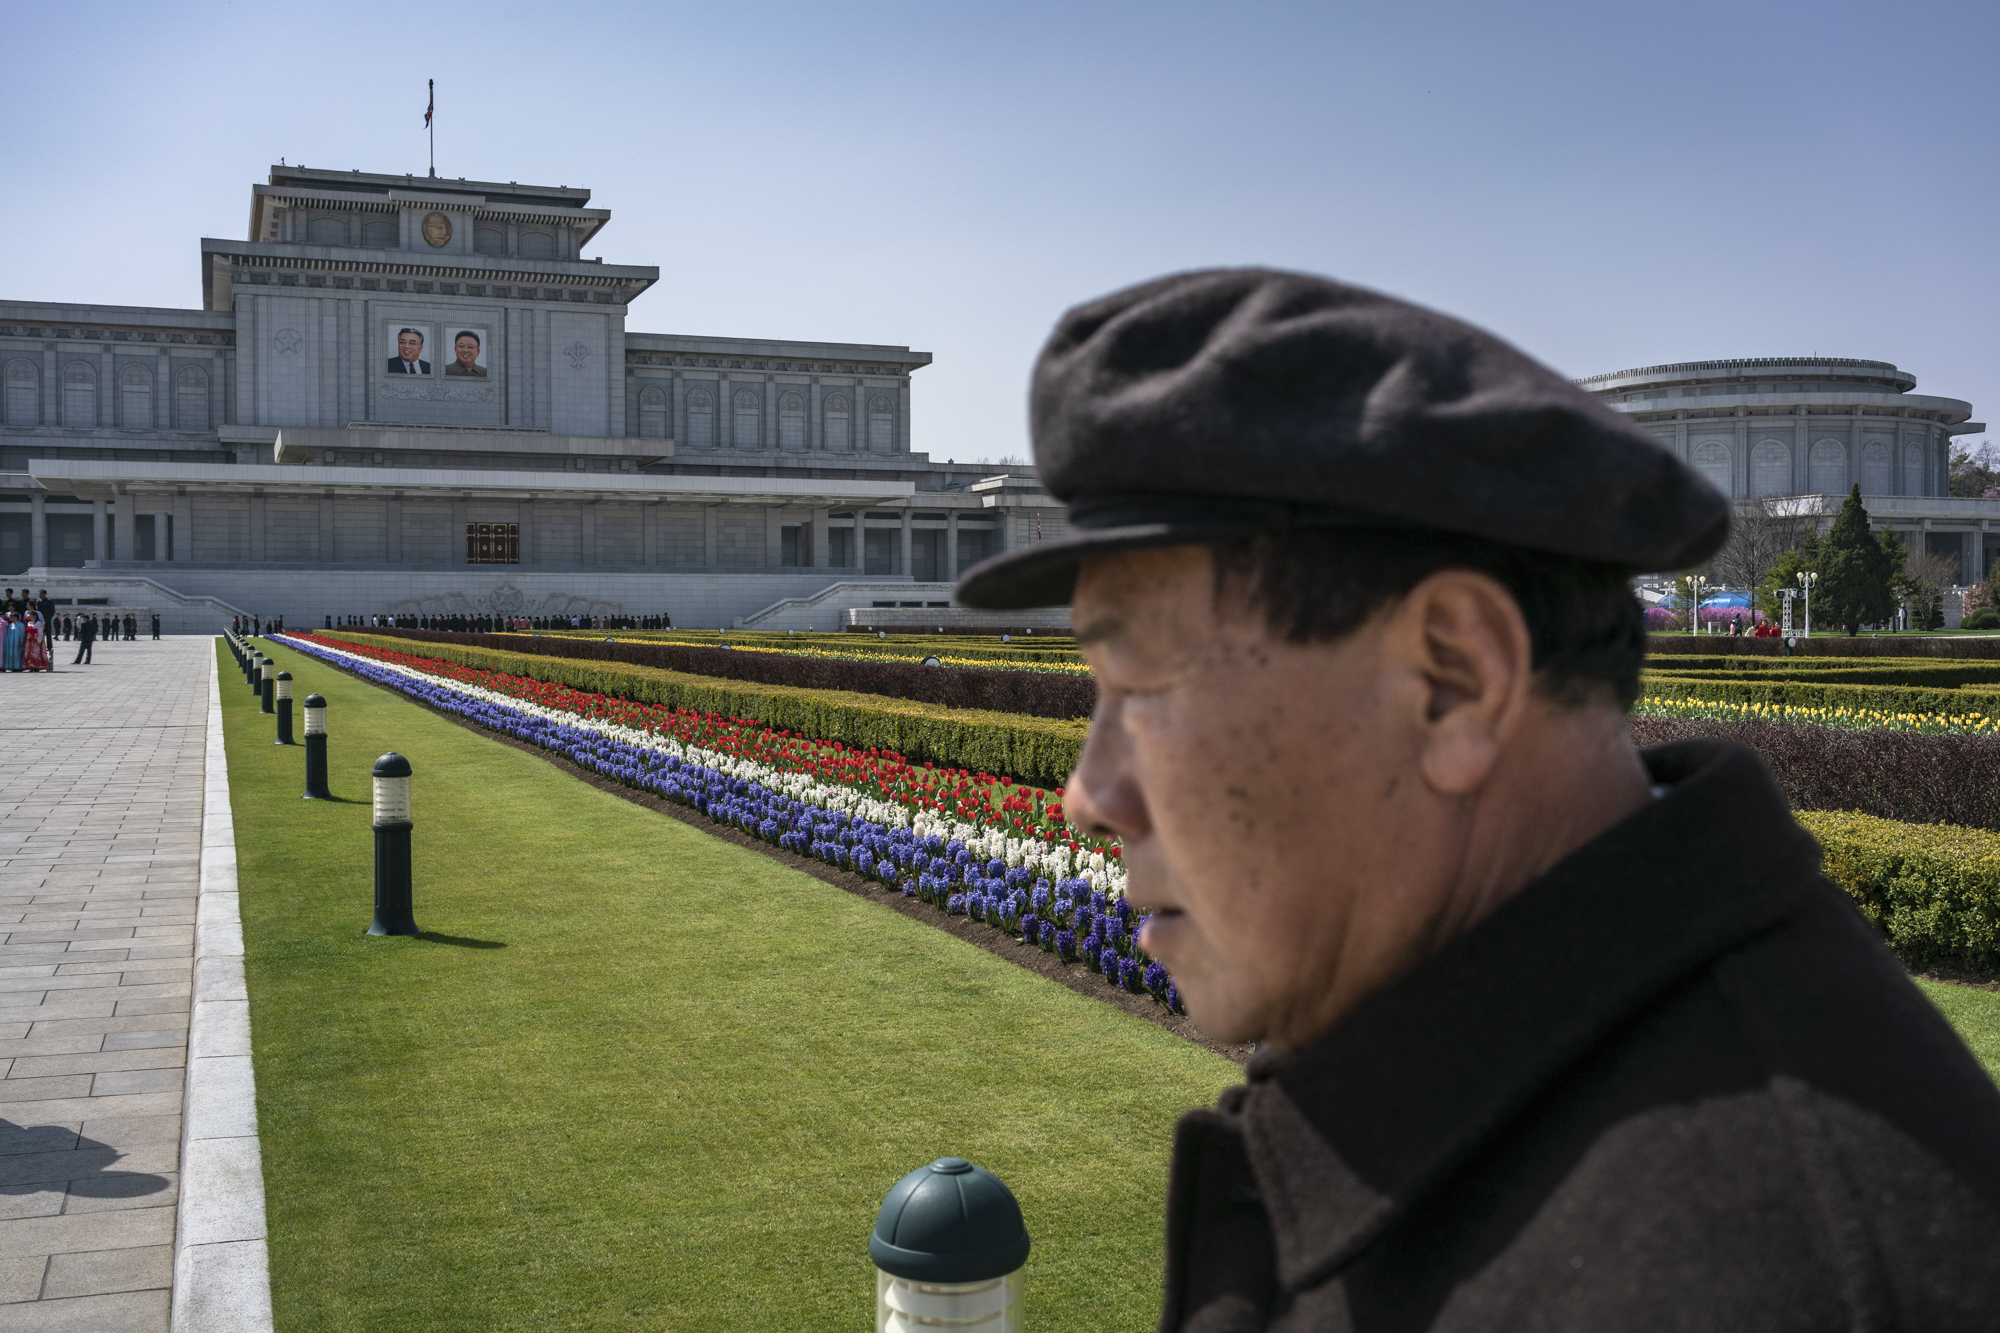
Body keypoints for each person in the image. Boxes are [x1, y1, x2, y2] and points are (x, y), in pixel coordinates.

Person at [953, 268, 2000, 1329]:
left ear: (1452, 681)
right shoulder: (1492, 1077)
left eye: (1143, 684)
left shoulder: (1784, 1276)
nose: (1087, 793)